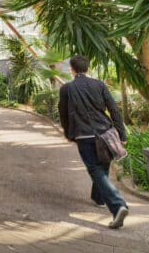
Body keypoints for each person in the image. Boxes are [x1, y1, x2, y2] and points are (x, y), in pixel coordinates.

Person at [59, 55, 129, 229]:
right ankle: (99, 199)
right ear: (87, 68)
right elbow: (114, 110)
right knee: (102, 165)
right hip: (105, 134)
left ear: (72, 69)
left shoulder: (67, 88)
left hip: (84, 136)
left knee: (95, 169)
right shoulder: (99, 85)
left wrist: (68, 134)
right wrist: (122, 134)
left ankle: (117, 204)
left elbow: (64, 114)